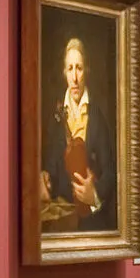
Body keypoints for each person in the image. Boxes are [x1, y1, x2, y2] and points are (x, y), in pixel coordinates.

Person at [40, 36, 114, 231]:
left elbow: (110, 172)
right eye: (70, 68)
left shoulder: (98, 117)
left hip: (92, 220)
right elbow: (51, 165)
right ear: (64, 72)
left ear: (86, 71)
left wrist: (94, 194)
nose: (74, 77)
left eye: (79, 68)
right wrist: (45, 177)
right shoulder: (56, 116)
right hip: (64, 220)